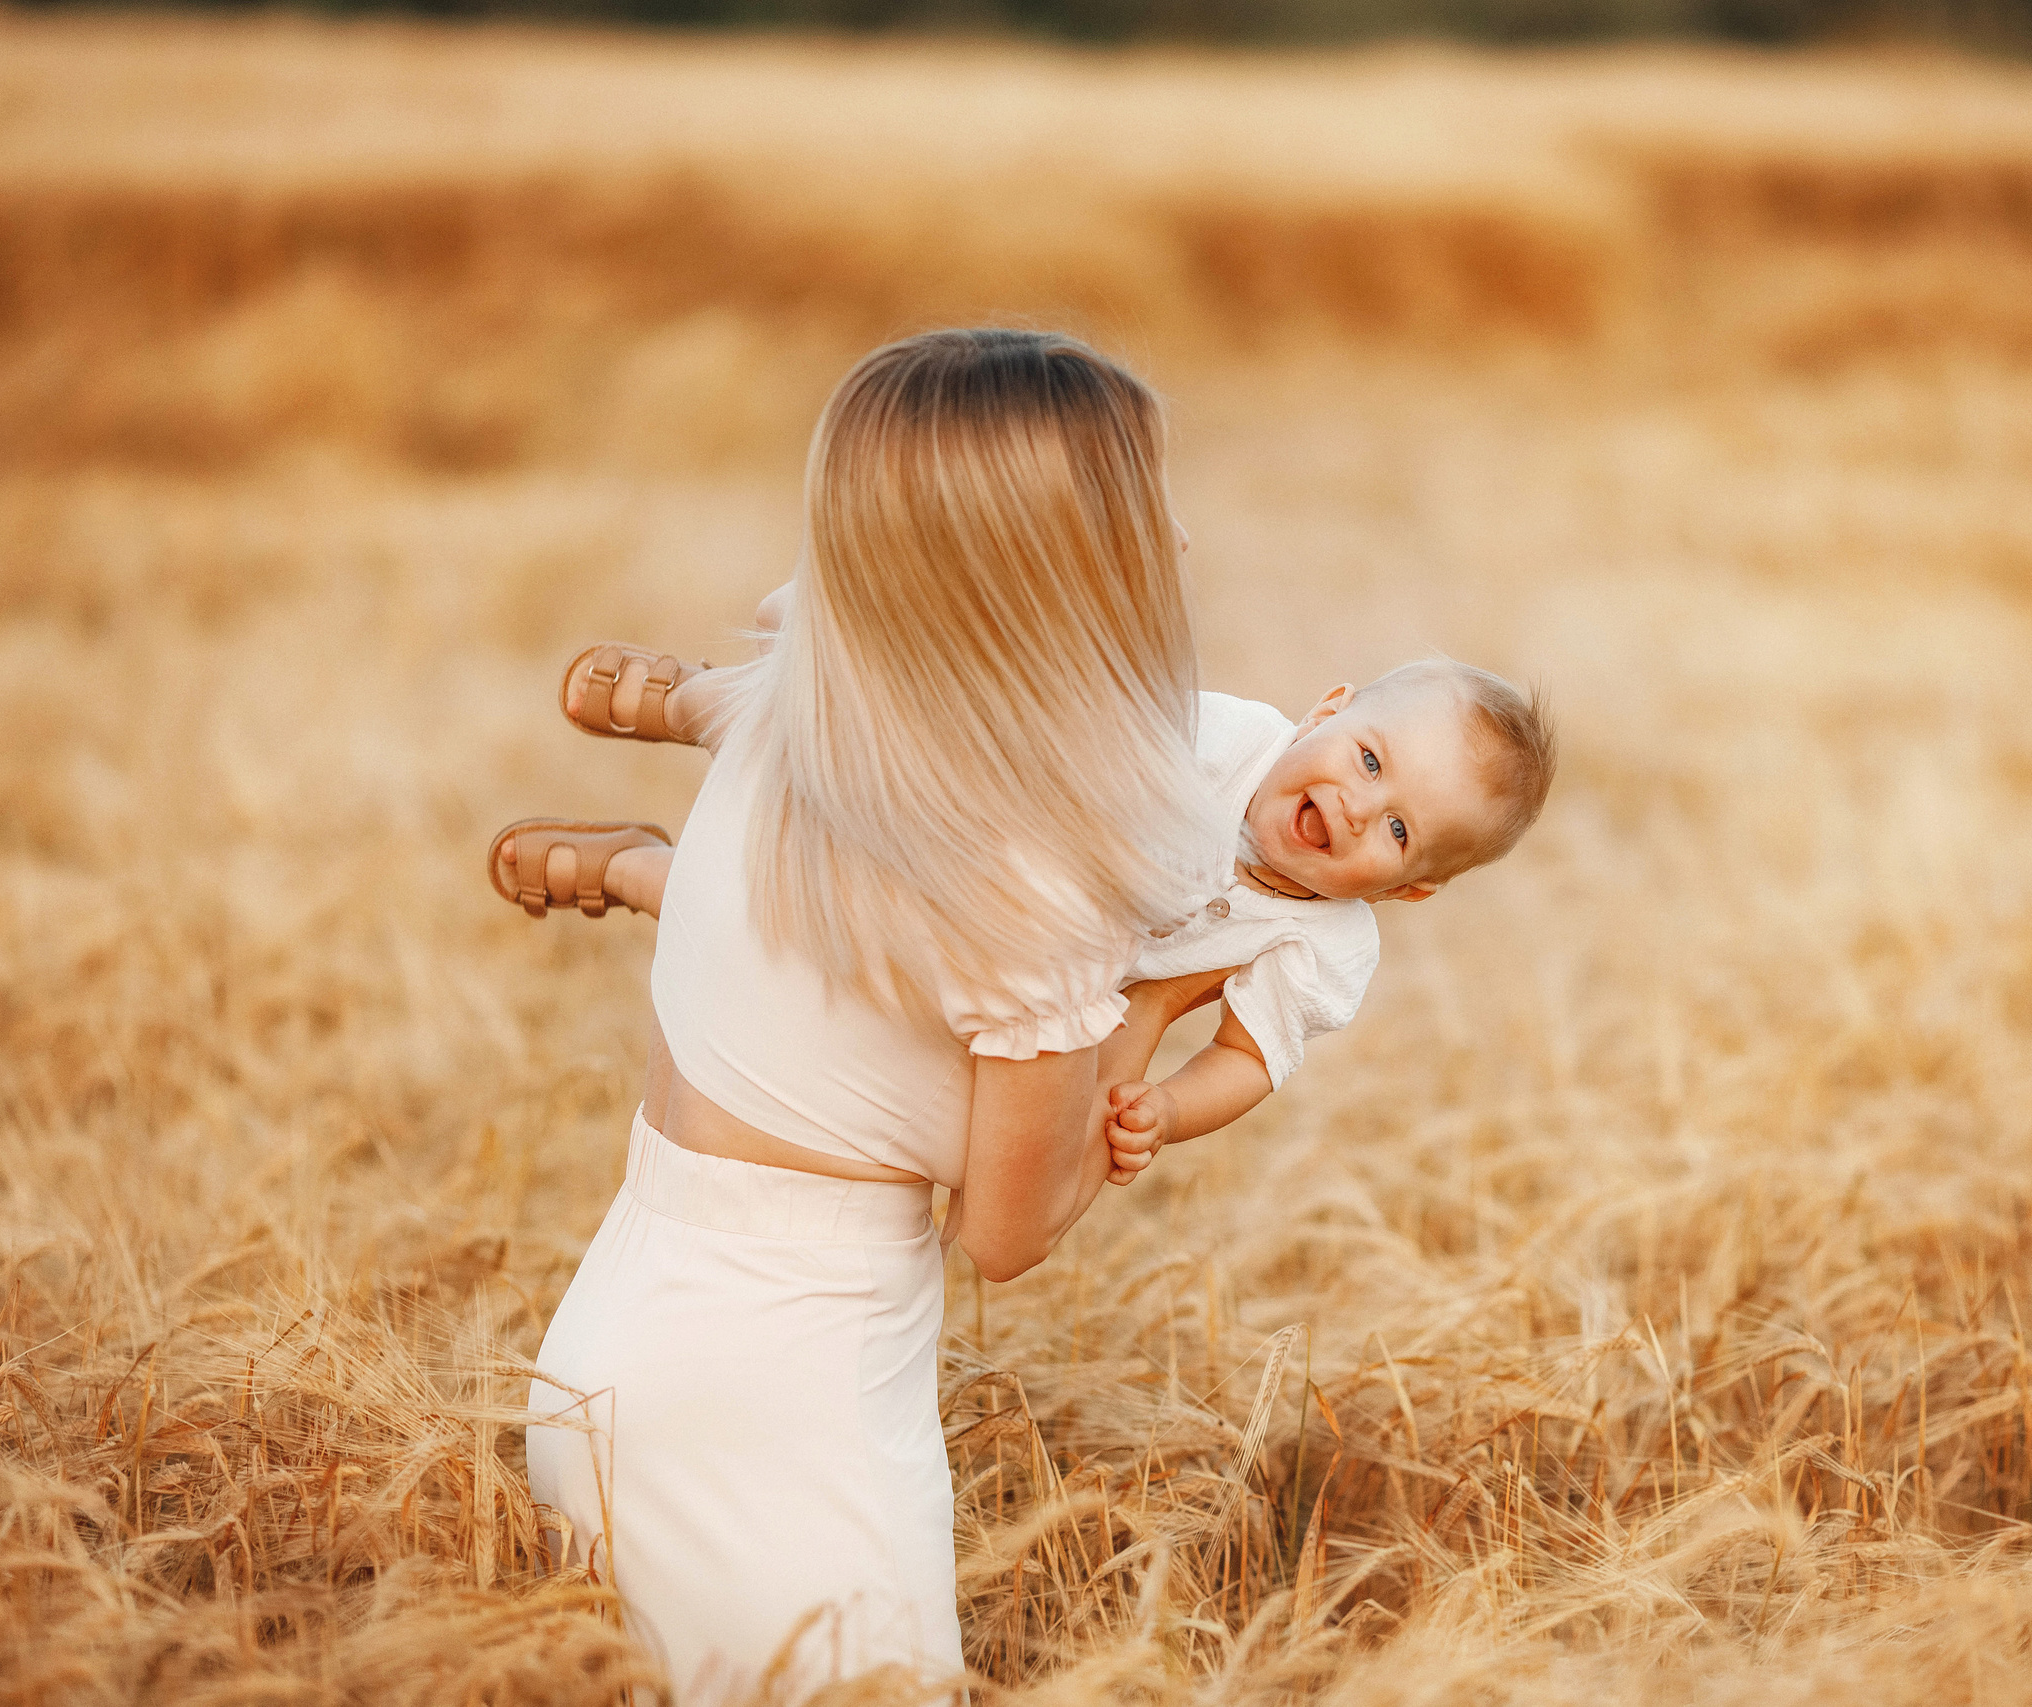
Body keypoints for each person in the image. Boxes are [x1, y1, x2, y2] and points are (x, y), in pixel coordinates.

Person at [504, 328, 1226, 1702]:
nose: (1180, 541)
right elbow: (1008, 1230)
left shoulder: (799, 719)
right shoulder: (1038, 872)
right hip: (787, 1390)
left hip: (614, 1342)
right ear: (1065, 559)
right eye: (1147, 502)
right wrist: (1174, 1003)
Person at [503, 653, 1556, 1179]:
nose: (1358, 805)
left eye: (1401, 832)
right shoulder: (1216, 738)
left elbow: (1251, 1054)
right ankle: (705, 700)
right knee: (870, 746)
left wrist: (1171, 1110)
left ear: (1407, 891)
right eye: (1368, 759)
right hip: (989, 856)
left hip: (1012, 982)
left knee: (826, 971)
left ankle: (648, 875)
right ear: (1327, 711)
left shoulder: (1323, 947)